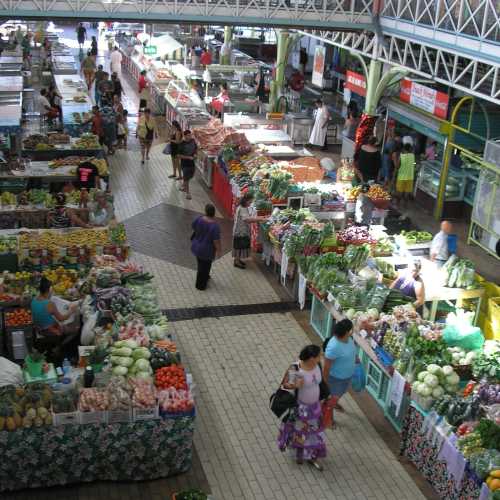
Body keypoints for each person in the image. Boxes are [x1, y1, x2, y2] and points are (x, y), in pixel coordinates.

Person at [277, 344, 326, 471]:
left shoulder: (317, 365)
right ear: (311, 358)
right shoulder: (296, 368)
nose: (321, 358)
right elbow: (284, 385)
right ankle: (300, 454)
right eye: (319, 356)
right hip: (300, 409)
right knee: (300, 432)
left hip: (315, 408)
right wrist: (295, 385)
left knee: (314, 433)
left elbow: (321, 383)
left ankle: (312, 456)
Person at [323, 319, 357, 413]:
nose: (353, 331)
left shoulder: (348, 339)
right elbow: (326, 367)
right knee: (331, 401)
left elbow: (350, 351)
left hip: (346, 377)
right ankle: (328, 419)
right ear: (347, 332)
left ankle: (333, 401)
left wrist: (355, 359)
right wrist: (325, 384)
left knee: (337, 395)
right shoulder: (334, 347)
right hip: (336, 379)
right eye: (352, 329)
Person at [191, 204, 222, 290]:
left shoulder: (199, 219)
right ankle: (200, 285)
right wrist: (219, 251)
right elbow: (216, 241)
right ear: (214, 213)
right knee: (205, 266)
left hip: (196, 246)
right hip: (207, 251)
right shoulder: (215, 226)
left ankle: (205, 277)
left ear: (206, 211)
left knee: (200, 264)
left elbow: (193, 226)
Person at [232, 193, 265, 269]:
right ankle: (236, 262)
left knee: (240, 247)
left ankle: (238, 260)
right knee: (239, 247)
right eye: (250, 202)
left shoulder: (243, 207)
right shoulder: (242, 209)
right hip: (240, 232)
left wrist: (259, 217)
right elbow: (247, 219)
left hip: (241, 231)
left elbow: (248, 217)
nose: (250, 204)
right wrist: (259, 219)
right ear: (246, 201)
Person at [179, 130, 197, 199]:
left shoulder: (193, 141)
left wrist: (195, 154)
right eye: (188, 135)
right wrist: (188, 157)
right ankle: (188, 193)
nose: (190, 136)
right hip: (185, 164)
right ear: (185, 136)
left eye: (190, 135)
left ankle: (184, 185)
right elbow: (179, 155)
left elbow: (196, 148)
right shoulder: (182, 144)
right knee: (186, 178)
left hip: (192, 163)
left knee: (191, 176)